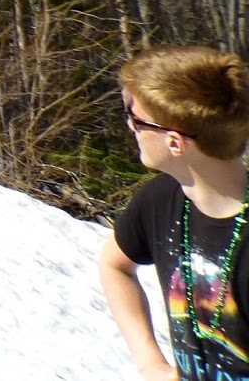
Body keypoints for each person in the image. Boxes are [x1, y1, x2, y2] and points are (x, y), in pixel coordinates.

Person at [101, 45, 249, 381]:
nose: (130, 127)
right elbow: (114, 265)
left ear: (174, 143)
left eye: (135, 118)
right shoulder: (159, 200)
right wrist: (149, 362)